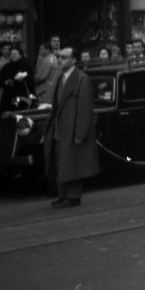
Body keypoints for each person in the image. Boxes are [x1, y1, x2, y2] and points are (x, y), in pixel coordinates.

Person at [44, 47, 98, 207]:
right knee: (61, 161)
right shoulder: (60, 77)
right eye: (58, 56)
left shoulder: (82, 79)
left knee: (73, 162)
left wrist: (80, 134)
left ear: (73, 60)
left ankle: (73, 197)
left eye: (64, 57)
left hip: (72, 129)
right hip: (59, 128)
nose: (59, 60)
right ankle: (63, 195)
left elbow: (85, 108)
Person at [0, 45, 32, 111]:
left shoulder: (26, 66)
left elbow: (31, 80)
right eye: (11, 54)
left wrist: (22, 80)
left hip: (22, 94)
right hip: (8, 95)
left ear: (20, 55)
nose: (13, 55)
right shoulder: (6, 66)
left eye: (15, 54)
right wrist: (5, 82)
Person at [35, 38, 61, 102]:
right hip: (54, 86)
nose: (39, 52)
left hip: (46, 88)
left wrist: (32, 80)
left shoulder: (47, 60)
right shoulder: (54, 58)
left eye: (41, 50)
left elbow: (41, 77)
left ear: (47, 50)